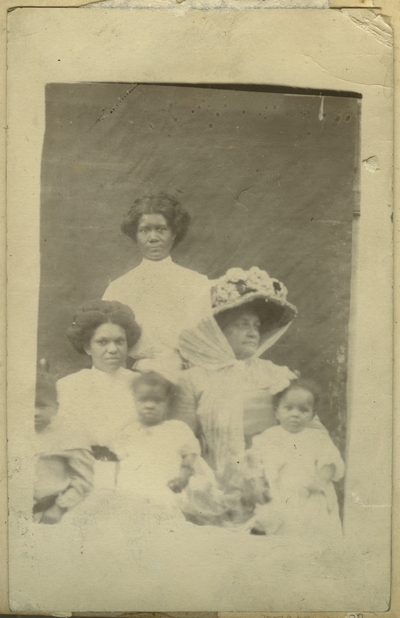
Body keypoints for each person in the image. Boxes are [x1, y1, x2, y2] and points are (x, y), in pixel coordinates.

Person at [177, 267, 326, 500]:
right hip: (217, 488)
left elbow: (314, 433)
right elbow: (182, 441)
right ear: (219, 330)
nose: (253, 332)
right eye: (242, 324)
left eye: (256, 326)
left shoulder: (278, 375)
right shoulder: (192, 379)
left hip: (278, 488)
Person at [102, 193, 211, 370]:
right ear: (135, 235)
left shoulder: (197, 283)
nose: (153, 237)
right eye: (144, 230)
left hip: (187, 375)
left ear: (174, 233)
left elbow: (205, 341)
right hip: (135, 377)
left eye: (161, 229)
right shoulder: (119, 288)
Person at [55, 300, 141, 487]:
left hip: (136, 474)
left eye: (119, 341)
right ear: (87, 347)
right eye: (102, 342)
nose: (113, 349)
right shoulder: (69, 387)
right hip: (88, 476)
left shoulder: (141, 384)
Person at [249, 380, 345, 540]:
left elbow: (330, 462)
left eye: (303, 410)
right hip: (278, 494)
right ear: (277, 412)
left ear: (312, 415)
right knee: (278, 534)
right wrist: (258, 483)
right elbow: (254, 463)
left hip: (309, 494)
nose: (295, 414)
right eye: (288, 408)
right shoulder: (267, 437)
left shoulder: (317, 438)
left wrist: (320, 481)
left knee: (311, 532)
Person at [112, 371, 205, 521]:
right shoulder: (128, 432)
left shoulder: (177, 429)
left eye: (157, 400)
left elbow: (191, 456)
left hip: (167, 488)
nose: (149, 405)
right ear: (134, 401)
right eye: (143, 400)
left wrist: (182, 479)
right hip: (133, 491)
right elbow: (119, 463)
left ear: (167, 403)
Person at [34, 370, 94, 524]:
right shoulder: (13, 436)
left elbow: (84, 481)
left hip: (52, 512)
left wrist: (59, 508)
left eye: (42, 405)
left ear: (55, 406)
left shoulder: (70, 437)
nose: (35, 412)